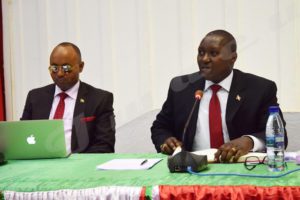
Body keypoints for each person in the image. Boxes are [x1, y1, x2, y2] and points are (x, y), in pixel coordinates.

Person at [151, 30, 288, 162]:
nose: (204, 59)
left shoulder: (259, 88)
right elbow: (160, 127)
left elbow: (278, 136)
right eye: (201, 53)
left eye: (214, 53)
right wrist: (166, 140)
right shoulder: (181, 87)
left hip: (240, 168)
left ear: (233, 58)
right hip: (192, 169)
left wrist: (249, 141)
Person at [21, 42, 115, 153]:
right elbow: (22, 137)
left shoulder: (100, 99)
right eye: (54, 68)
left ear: (81, 67)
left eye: (66, 68)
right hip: (40, 164)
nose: (60, 73)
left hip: (79, 166)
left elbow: (105, 146)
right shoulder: (35, 97)